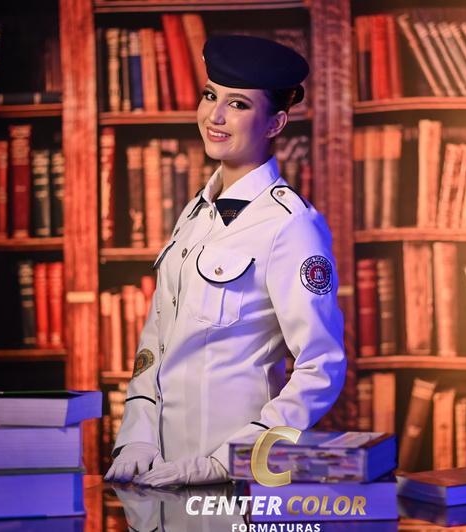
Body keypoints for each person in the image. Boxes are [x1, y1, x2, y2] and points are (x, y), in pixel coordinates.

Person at [104, 34, 346, 487]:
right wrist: (136, 436)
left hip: (236, 481)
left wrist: (232, 461)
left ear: (274, 124)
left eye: (237, 104)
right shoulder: (197, 211)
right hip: (160, 474)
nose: (214, 116)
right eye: (210, 95)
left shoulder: (292, 225)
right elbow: (157, 338)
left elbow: (322, 367)